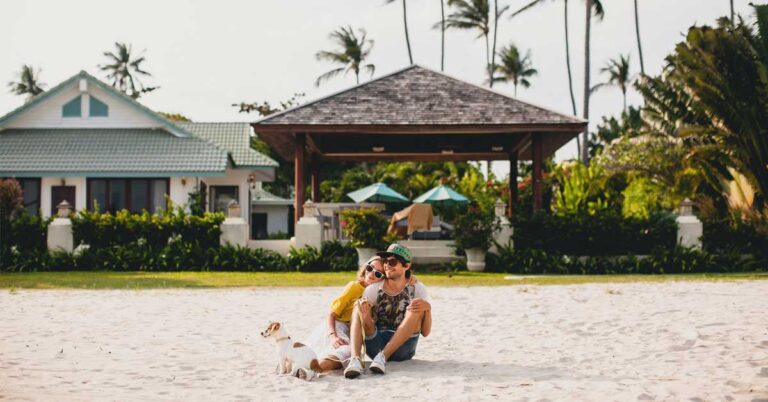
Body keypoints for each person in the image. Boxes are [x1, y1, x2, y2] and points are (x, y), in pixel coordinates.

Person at [344, 244, 432, 379]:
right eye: (385, 261)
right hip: (376, 346)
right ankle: (355, 359)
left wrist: (427, 308)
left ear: (406, 266)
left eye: (392, 262)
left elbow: (426, 332)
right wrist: (365, 310)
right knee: (359, 305)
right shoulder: (374, 288)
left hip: (404, 348)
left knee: (415, 307)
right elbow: (364, 322)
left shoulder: (417, 289)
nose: (387, 265)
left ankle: (383, 357)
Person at [309, 256, 387, 371]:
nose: (371, 274)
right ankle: (311, 369)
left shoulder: (379, 296)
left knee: (346, 356)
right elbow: (331, 314)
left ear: (383, 279)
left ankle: (311, 368)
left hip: (351, 334)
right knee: (347, 352)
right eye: (370, 268)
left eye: (378, 274)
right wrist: (333, 336)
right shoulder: (354, 287)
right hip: (336, 327)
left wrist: (411, 279)